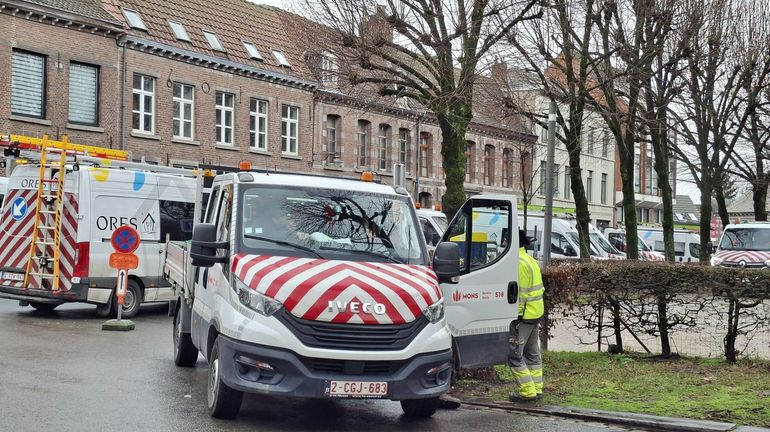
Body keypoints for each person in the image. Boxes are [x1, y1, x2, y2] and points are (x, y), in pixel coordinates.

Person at [508, 229, 545, 402]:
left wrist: (516, 316)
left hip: (524, 317)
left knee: (515, 355)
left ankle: (527, 392)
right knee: (532, 353)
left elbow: (520, 294)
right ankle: (537, 389)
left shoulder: (518, 263)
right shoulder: (530, 260)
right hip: (535, 313)